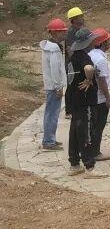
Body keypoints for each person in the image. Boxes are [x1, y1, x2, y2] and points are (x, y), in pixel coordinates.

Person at [66, 27, 107, 178]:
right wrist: (89, 79)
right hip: (85, 101)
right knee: (86, 133)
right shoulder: (84, 57)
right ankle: (90, 167)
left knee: (74, 133)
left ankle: (74, 164)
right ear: (87, 42)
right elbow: (89, 68)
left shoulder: (73, 57)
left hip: (73, 99)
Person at [40, 18, 68, 150]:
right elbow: (55, 69)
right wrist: (58, 87)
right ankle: (49, 141)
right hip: (53, 86)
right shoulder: (54, 49)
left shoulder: (48, 47)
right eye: (62, 31)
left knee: (50, 113)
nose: (64, 34)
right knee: (52, 114)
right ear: (55, 33)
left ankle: (49, 138)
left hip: (50, 85)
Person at [88, 28, 110, 161]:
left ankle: (88, 150)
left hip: (91, 97)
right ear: (103, 43)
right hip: (100, 98)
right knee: (99, 126)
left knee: (92, 125)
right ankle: (95, 152)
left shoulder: (90, 55)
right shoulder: (101, 60)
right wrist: (108, 98)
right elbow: (101, 80)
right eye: (108, 40)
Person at [64, 7, 85, 116]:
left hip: (78, 61)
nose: (82, 18)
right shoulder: (71, 32)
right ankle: (69, 111)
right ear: (75, 19)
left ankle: (77, 107)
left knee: (77, 85)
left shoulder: (79, 30)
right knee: (71, 86)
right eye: (80, 16)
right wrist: (76, 61)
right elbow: (69, 48)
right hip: (72, 63)